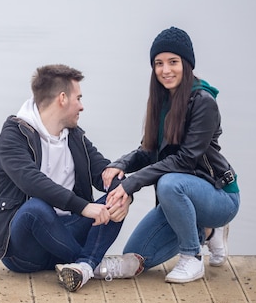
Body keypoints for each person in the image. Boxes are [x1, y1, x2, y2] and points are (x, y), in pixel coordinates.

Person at [0, 64, 144, 292]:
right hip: (25, 251)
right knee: (36, 209)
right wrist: (83, 207)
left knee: (115, 197)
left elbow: (104, 172)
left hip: (66, 235)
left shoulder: (75, 137)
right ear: (62, 98)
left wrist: (124, 193)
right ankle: (95, 265)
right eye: (78, 98)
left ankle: (82, 267)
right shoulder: (14, 134)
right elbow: (31, 181)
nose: (82, 106)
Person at [102, 26, 240, 283]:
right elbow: (148, 151)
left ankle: (192, 258)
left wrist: (132, 183)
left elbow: (185, 160)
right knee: (134, 255)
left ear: (186, 64)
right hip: (178, 198)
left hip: (219, 196)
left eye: (173, 62)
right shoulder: (161, 101)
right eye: (159, 63)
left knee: (169, 182)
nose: (166, 70)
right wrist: (120, 165)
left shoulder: (203, 102)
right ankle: (208, 233)